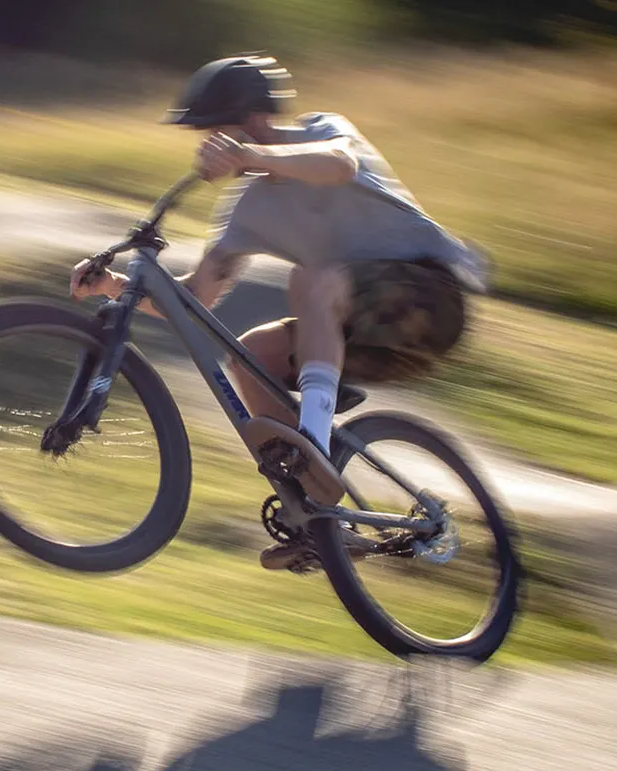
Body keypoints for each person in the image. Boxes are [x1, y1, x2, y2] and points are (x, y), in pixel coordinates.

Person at [71, 53, 490, 571]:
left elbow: (340, 165)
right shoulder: (248, 209)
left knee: (311, 279)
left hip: (431, 300)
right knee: (251, 354)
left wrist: (250, 154)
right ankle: (318, 516)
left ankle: (313, 449)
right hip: (368, 329)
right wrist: (114, 285)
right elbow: (199, 296)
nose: (204, 146)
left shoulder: (322, 133)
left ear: (252, 119)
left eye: (213, 131)